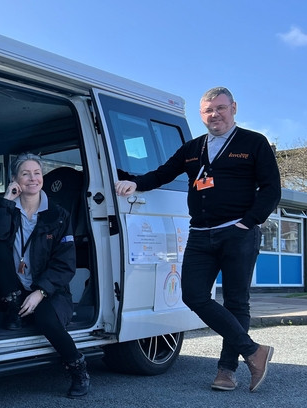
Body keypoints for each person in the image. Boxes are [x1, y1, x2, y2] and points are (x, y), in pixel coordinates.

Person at [114, 87, 281, 392]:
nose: (214, 115)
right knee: (192, 294)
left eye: (220, 108)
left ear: (234, 108)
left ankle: (227, 371)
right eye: (208, 110)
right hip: (201, 234)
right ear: (201, 114)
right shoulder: (192, 148)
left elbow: (271, 189)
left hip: (238, 234)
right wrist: (130, 181)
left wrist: (248, 222)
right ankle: (254, 351)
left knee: (235, 301)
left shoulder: (253, 143)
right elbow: (161, 174)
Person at [0, 153, 89, 398]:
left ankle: (78, 368)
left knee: (47, 320)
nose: (32, 178)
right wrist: (6, 201)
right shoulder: (8, 209)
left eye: (37, 173)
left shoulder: (58, 215)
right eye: (25, 173)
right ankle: (13, 308)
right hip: (14, 288)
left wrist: (40, 292)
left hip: (48, 290)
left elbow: (65, 264)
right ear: (15, 179)